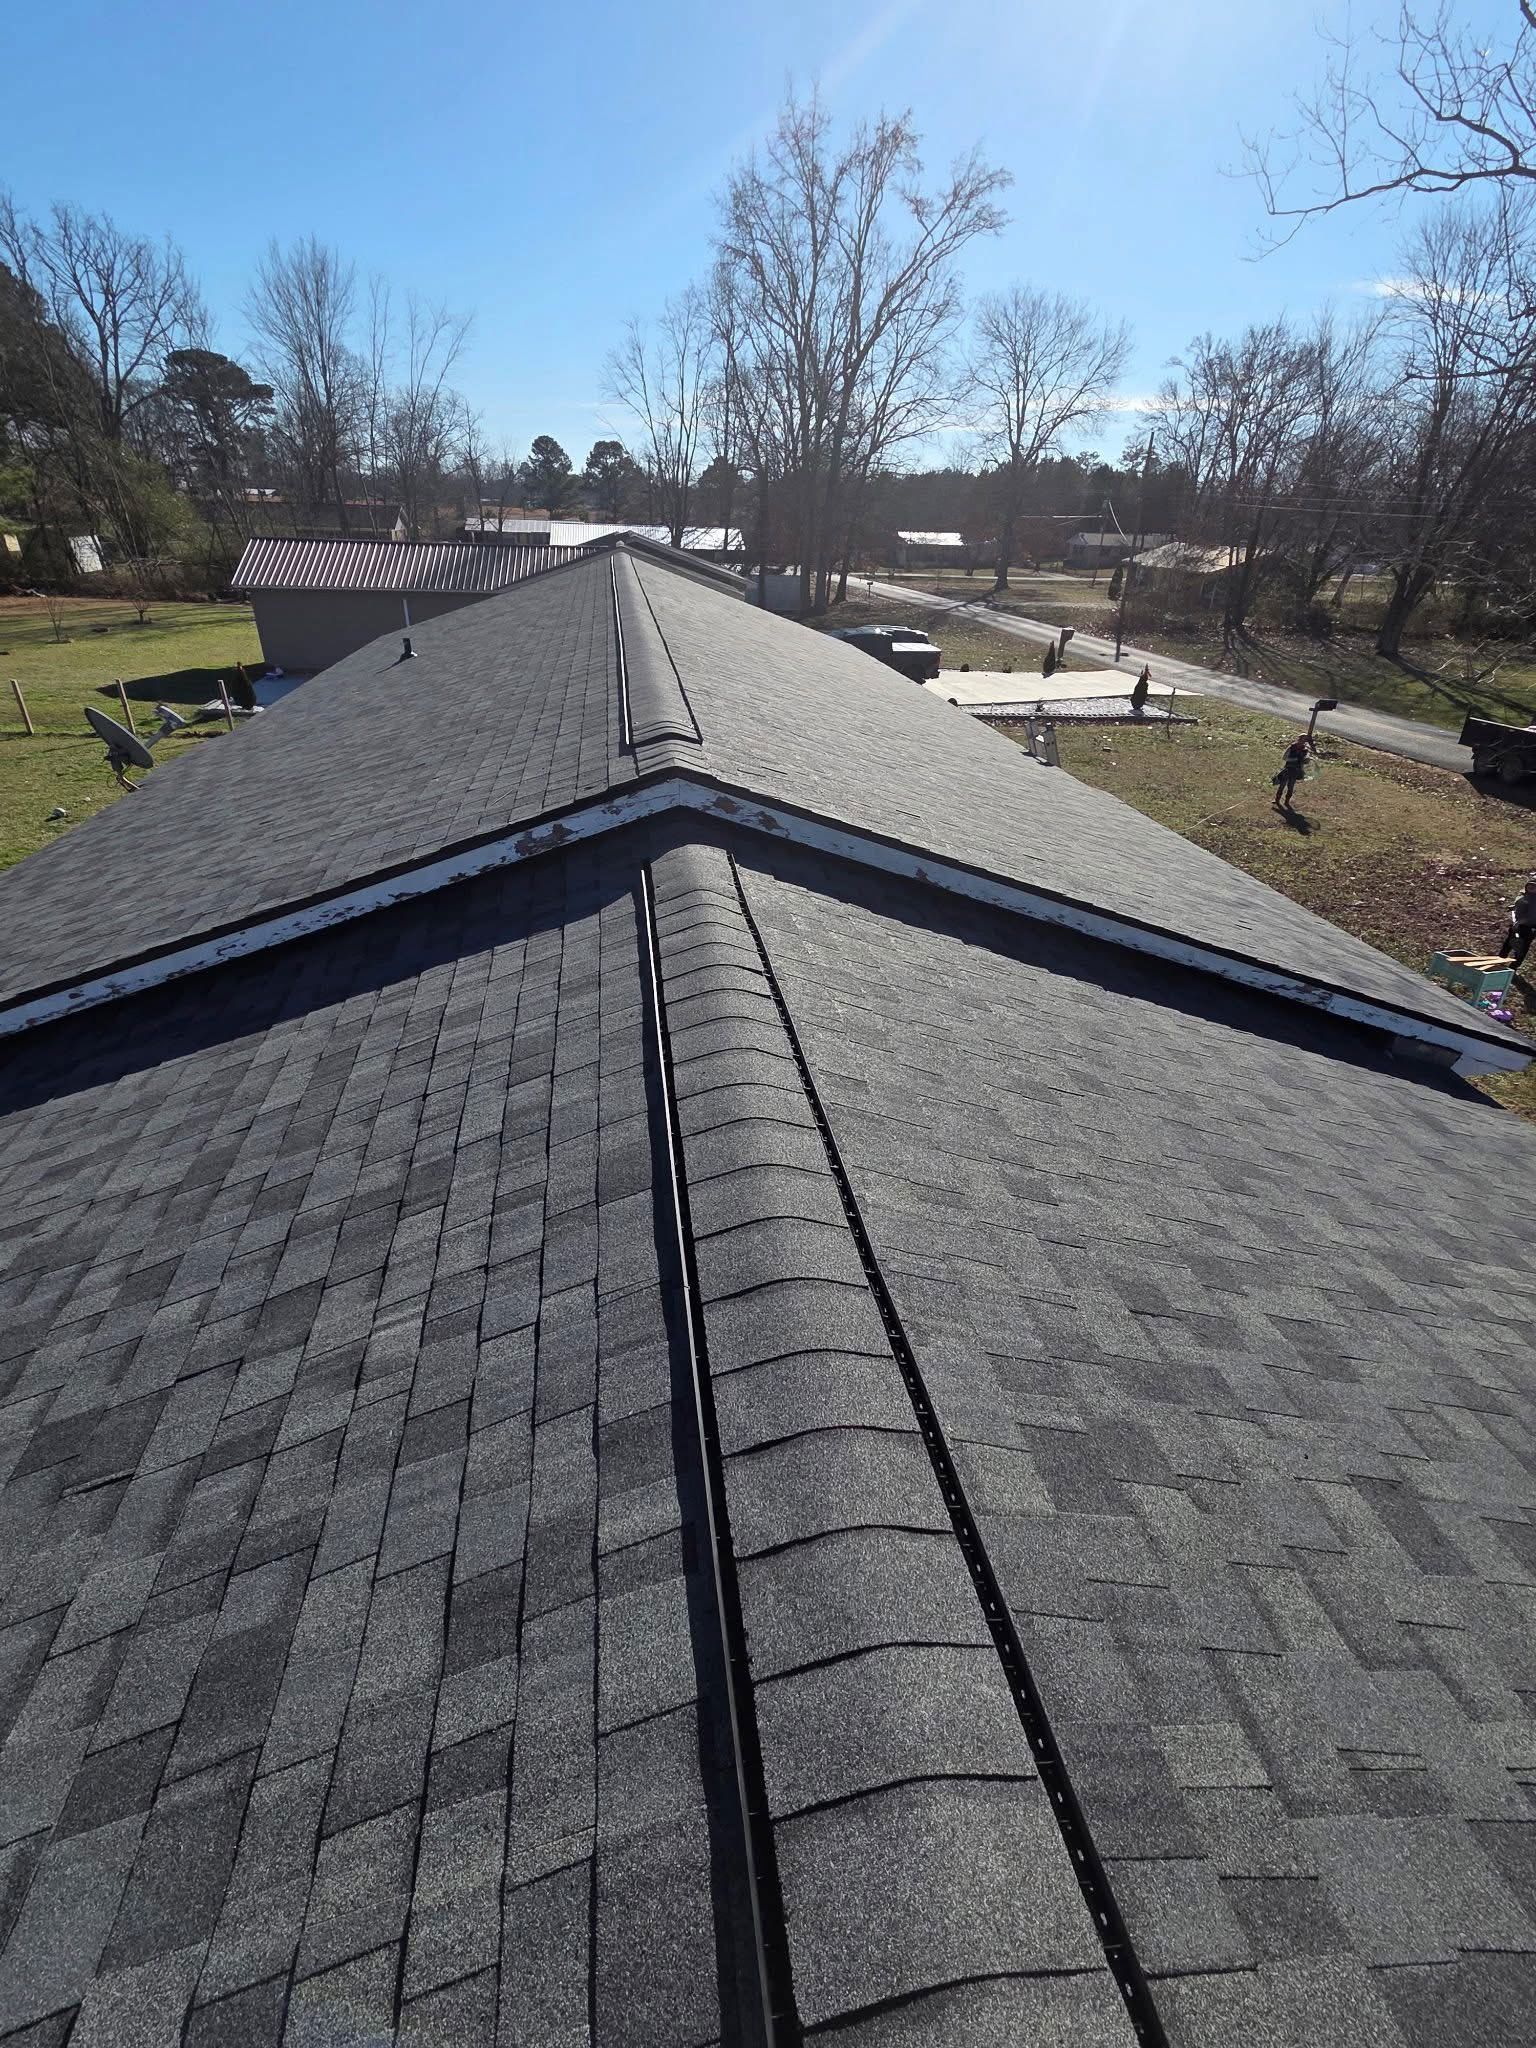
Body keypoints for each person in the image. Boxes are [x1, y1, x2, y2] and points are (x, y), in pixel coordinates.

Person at [1502, 874, 1536, 968]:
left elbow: (1531, 916)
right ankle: (1500, 961)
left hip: (1528, 928)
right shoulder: (1525, 894)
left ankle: (1513, 968)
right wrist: (1514, 907)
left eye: (1534, 886)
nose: (1532, 887)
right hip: (1518, 925)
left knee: (1521, 948)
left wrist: (1519, 923)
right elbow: (1522, 903)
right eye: (1530, 885)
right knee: (1509, 943)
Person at [1272, 733, 1312, 811]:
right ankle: (1277, 800)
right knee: (1282, 785)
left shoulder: (1305, 750)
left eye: (1304, 740)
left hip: (1296, 770)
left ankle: (1287, 801)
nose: (1302, 742)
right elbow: (1284, 757)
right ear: (1298, 739)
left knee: (1291, 786)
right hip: (1288, 769)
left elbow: (1306, 761)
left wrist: (1306, 760)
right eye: (1302, 740)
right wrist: (1294, 759)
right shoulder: (1292, 747)